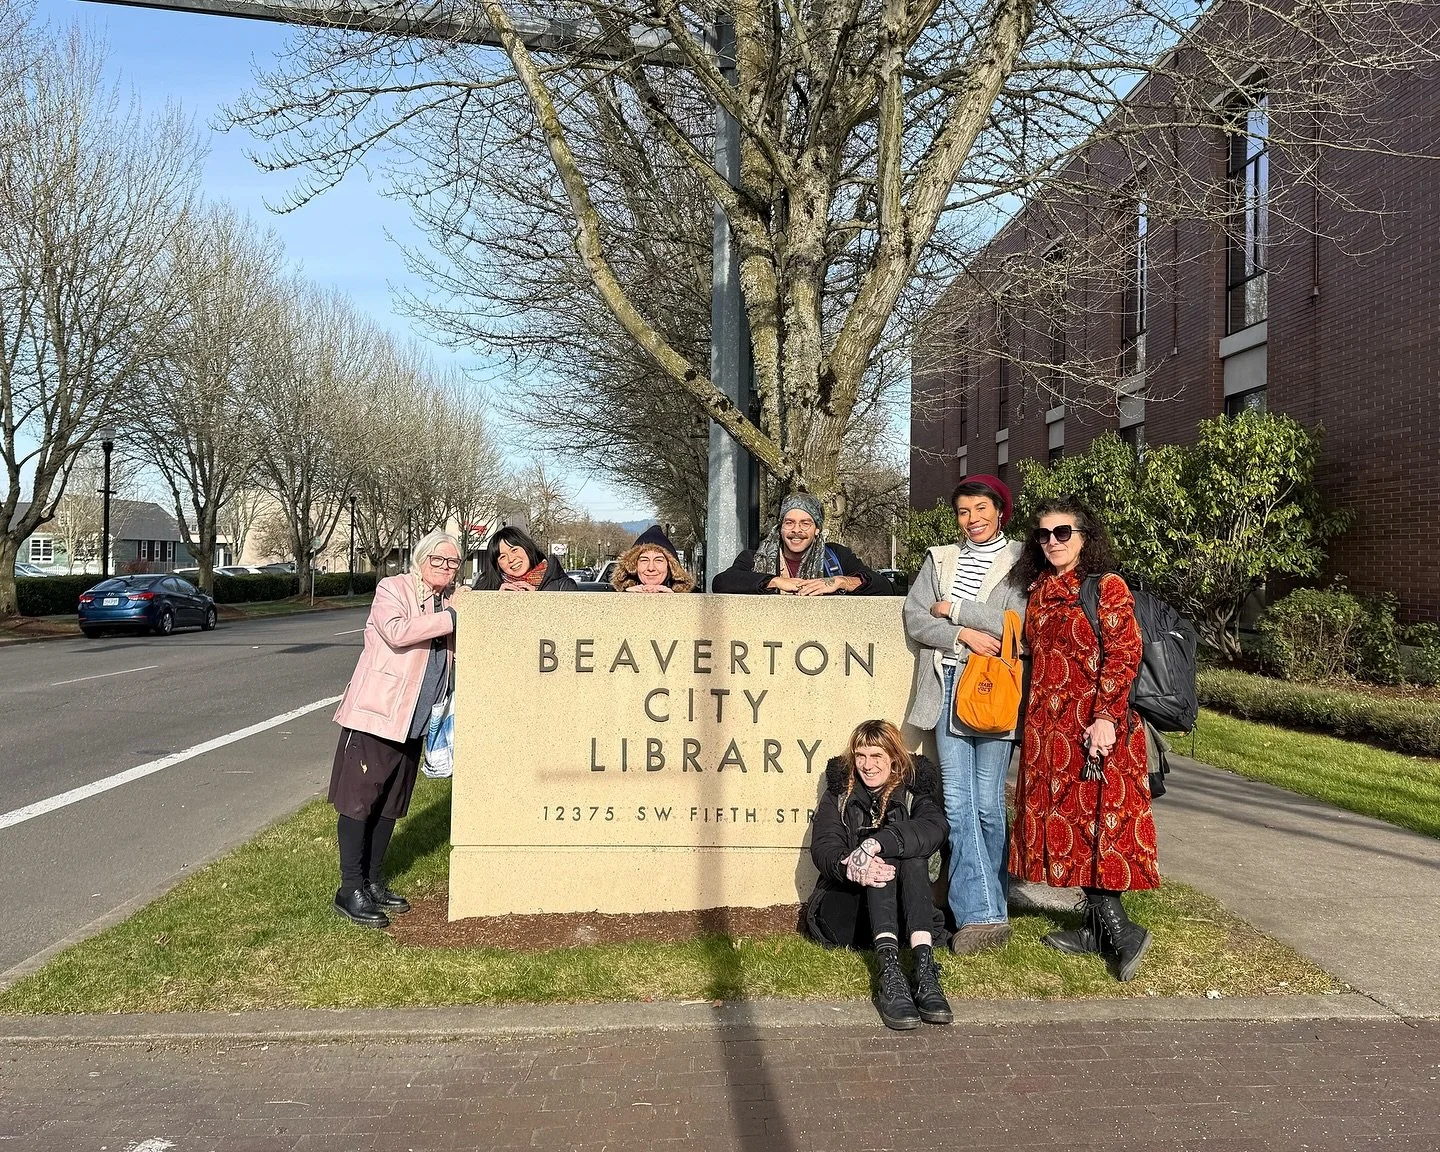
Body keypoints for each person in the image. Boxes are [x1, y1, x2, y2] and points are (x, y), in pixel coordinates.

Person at [1009, 496, 1157, 981]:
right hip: (1047, 732)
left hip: (1095, 729)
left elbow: (1124, 654)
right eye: (1044, 534)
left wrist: (1107, 718)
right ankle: (1093, 931)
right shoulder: (1037, 590)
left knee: (1096, 826)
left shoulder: (1105, 587)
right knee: (1067, 826)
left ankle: (1121, 930)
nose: (1052, 542)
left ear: (1084, 537)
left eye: (1063, 533)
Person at [902, 474, 1027, 956]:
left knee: (989, 803)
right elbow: (916, 618)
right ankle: (981, 914)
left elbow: (1016, 623)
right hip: (948, 684)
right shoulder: (939, 558)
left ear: (1000, 511)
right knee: (957, 799)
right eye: (962, 511)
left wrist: (954, 610)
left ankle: (990, 901)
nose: (972, 520)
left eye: (981, 510)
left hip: (995, 689)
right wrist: (960, 638)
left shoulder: (1020, 561)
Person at [329, 529, 468, 928]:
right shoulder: (394, 588)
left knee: (390, 805)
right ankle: (349, 887)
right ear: (420, 560)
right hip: (378, 714)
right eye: (438, 560)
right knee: (359, 802)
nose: (446, 567)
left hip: (417, 720)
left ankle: (373, 881)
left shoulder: (450, 599)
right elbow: (396, 631)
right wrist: (453, 616)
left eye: (453, 562)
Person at [805, 720, 953, 1031]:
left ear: (894, 759)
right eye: (860, 756)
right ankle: (890, 975)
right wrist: (852, 867)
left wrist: (875, 843)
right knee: (887, 860)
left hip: (899, 917)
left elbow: (935, 828)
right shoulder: (840, 792)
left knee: (909, 856)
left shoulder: (914, 790)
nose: (867, 766)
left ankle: (924, 972)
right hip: (850, 912)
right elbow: (824, 844)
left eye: (876, 756)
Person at [711, 493, 892, 595]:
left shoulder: (837, 557)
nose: (796, 530)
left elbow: (885, 588)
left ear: (817, 529)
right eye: (789, 523)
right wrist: (775, 581)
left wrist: (839, 581)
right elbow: (721, 582)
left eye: (805, 523)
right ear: (780, 527)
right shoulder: (754, 558)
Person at [473, 526, 579, 592]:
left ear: (527, 548)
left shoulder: (563, 586)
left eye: (514, 550)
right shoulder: (485, 587)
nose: (511, 559)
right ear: (497, 564)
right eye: (502, 557)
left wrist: (538, 601)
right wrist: (497, 602)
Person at [610, 525, 696, 593]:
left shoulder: (697, 600)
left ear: (670, 566)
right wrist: (625, 598)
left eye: (658, 560)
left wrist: (674, 600)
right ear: (634, 565)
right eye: (644, 560)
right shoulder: (611, 598)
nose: (651, 568)